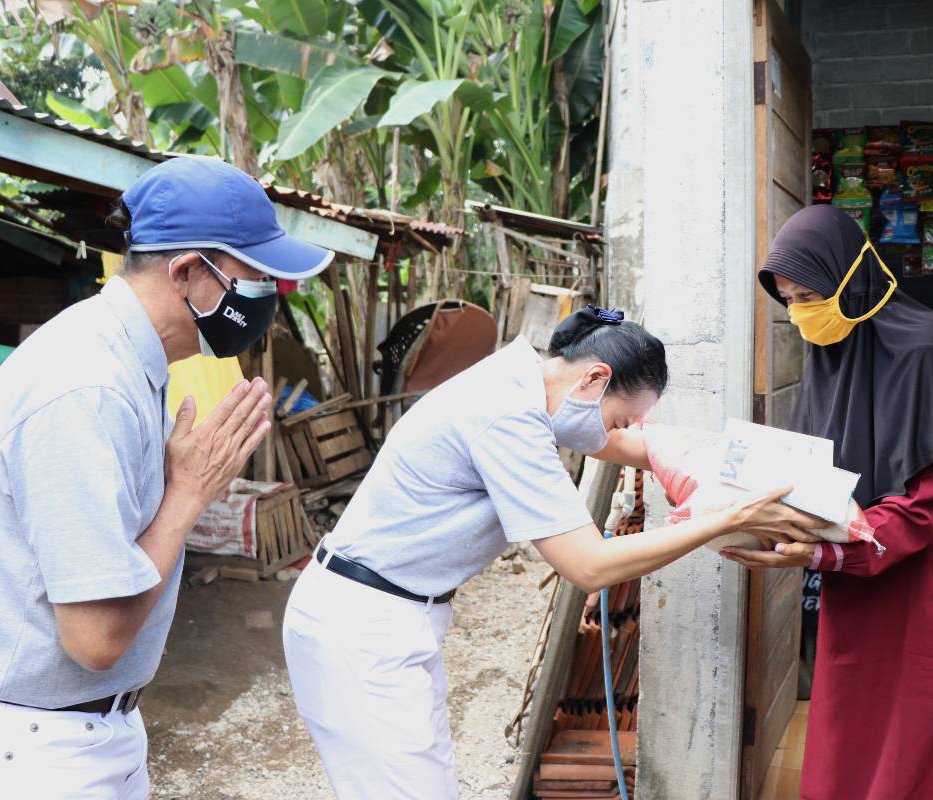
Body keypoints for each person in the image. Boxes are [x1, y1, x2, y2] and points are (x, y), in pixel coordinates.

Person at [0, 156, 334, 798]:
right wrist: (189, 492)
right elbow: (95, 638)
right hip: (21, 753)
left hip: (69, 732)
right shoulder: (87, 385)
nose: (268, 297)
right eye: (255, 277)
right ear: (189, 272)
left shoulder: (128, 358)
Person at [282, 305, 821, 798]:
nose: (618, 432)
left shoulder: (528, 381)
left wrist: (738, 465)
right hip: (361, 625)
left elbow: (637, 446)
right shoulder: (508, 419)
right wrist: (728, 518)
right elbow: (588, 566)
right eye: (618, 416)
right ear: (594, 378)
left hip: (392, 614)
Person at [722, 204, 933, 799]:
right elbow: (814, 469)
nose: (798, 314)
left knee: (932, 733)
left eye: (806, 296)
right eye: (788, 300)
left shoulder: (924, 352)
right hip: (876, 549)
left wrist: (814, 548)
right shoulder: (835, 349)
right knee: (856, 714)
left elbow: (923, 505)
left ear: (851, 279)